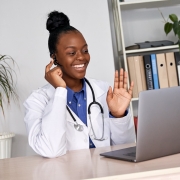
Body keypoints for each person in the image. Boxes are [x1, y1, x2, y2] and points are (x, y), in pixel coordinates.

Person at [24, 11, 135, 158]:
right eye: (71, 53)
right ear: (54, 57)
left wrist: (118, 115)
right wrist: (60, 91)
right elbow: (50, 150)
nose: (81, 57)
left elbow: (126, 146)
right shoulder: (37, 101)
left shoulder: (103, 90)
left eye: (85, 50)